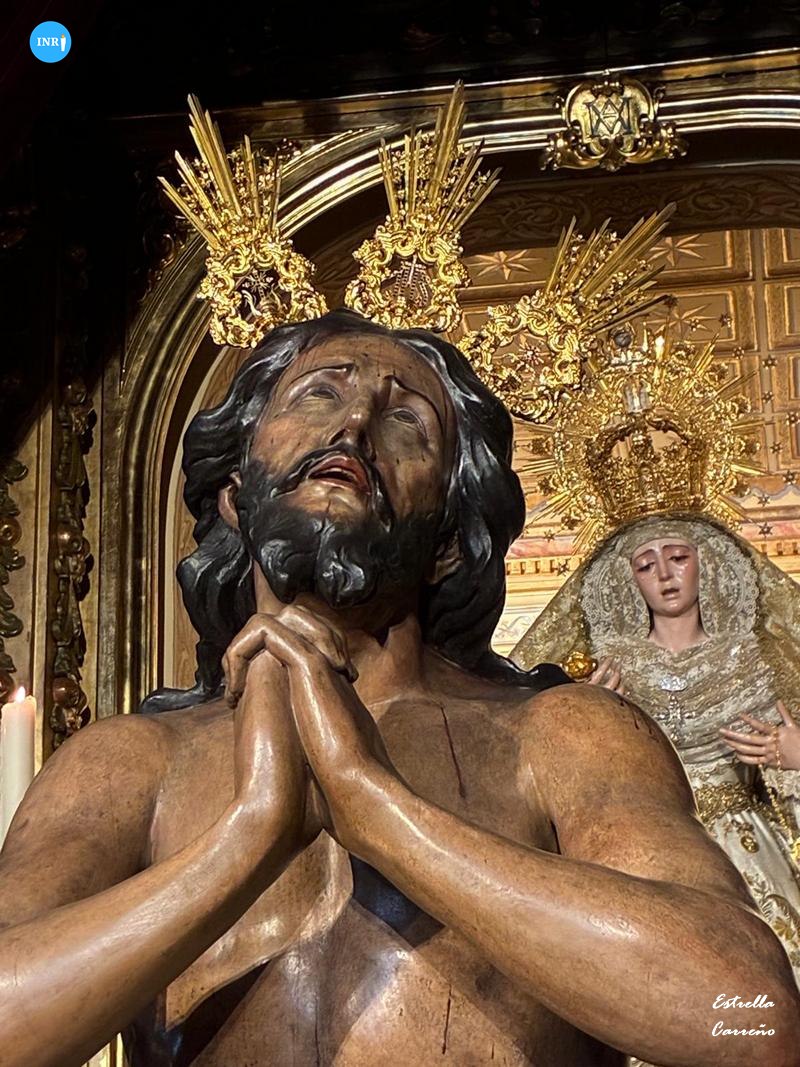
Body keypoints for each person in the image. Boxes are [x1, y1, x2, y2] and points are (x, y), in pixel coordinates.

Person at [0, 311, 798, 1067]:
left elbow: (754, 1015)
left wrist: (376, 806)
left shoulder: (563, 734)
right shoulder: (131, 761)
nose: (354, 425)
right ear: (235, 496)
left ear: (449, 537)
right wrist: (248, 835)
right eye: (319, 394)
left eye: (407, 422)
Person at [513, 512, 800, 981]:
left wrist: (794, 757)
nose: (665, 575)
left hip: (747, 848)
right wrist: (587, 715)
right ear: (628, 581)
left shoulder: (755, 660)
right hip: (645, 844)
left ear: (706, 563)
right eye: (645, 565)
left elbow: (781, 773)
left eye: (678, 557)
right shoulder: (607, 672)